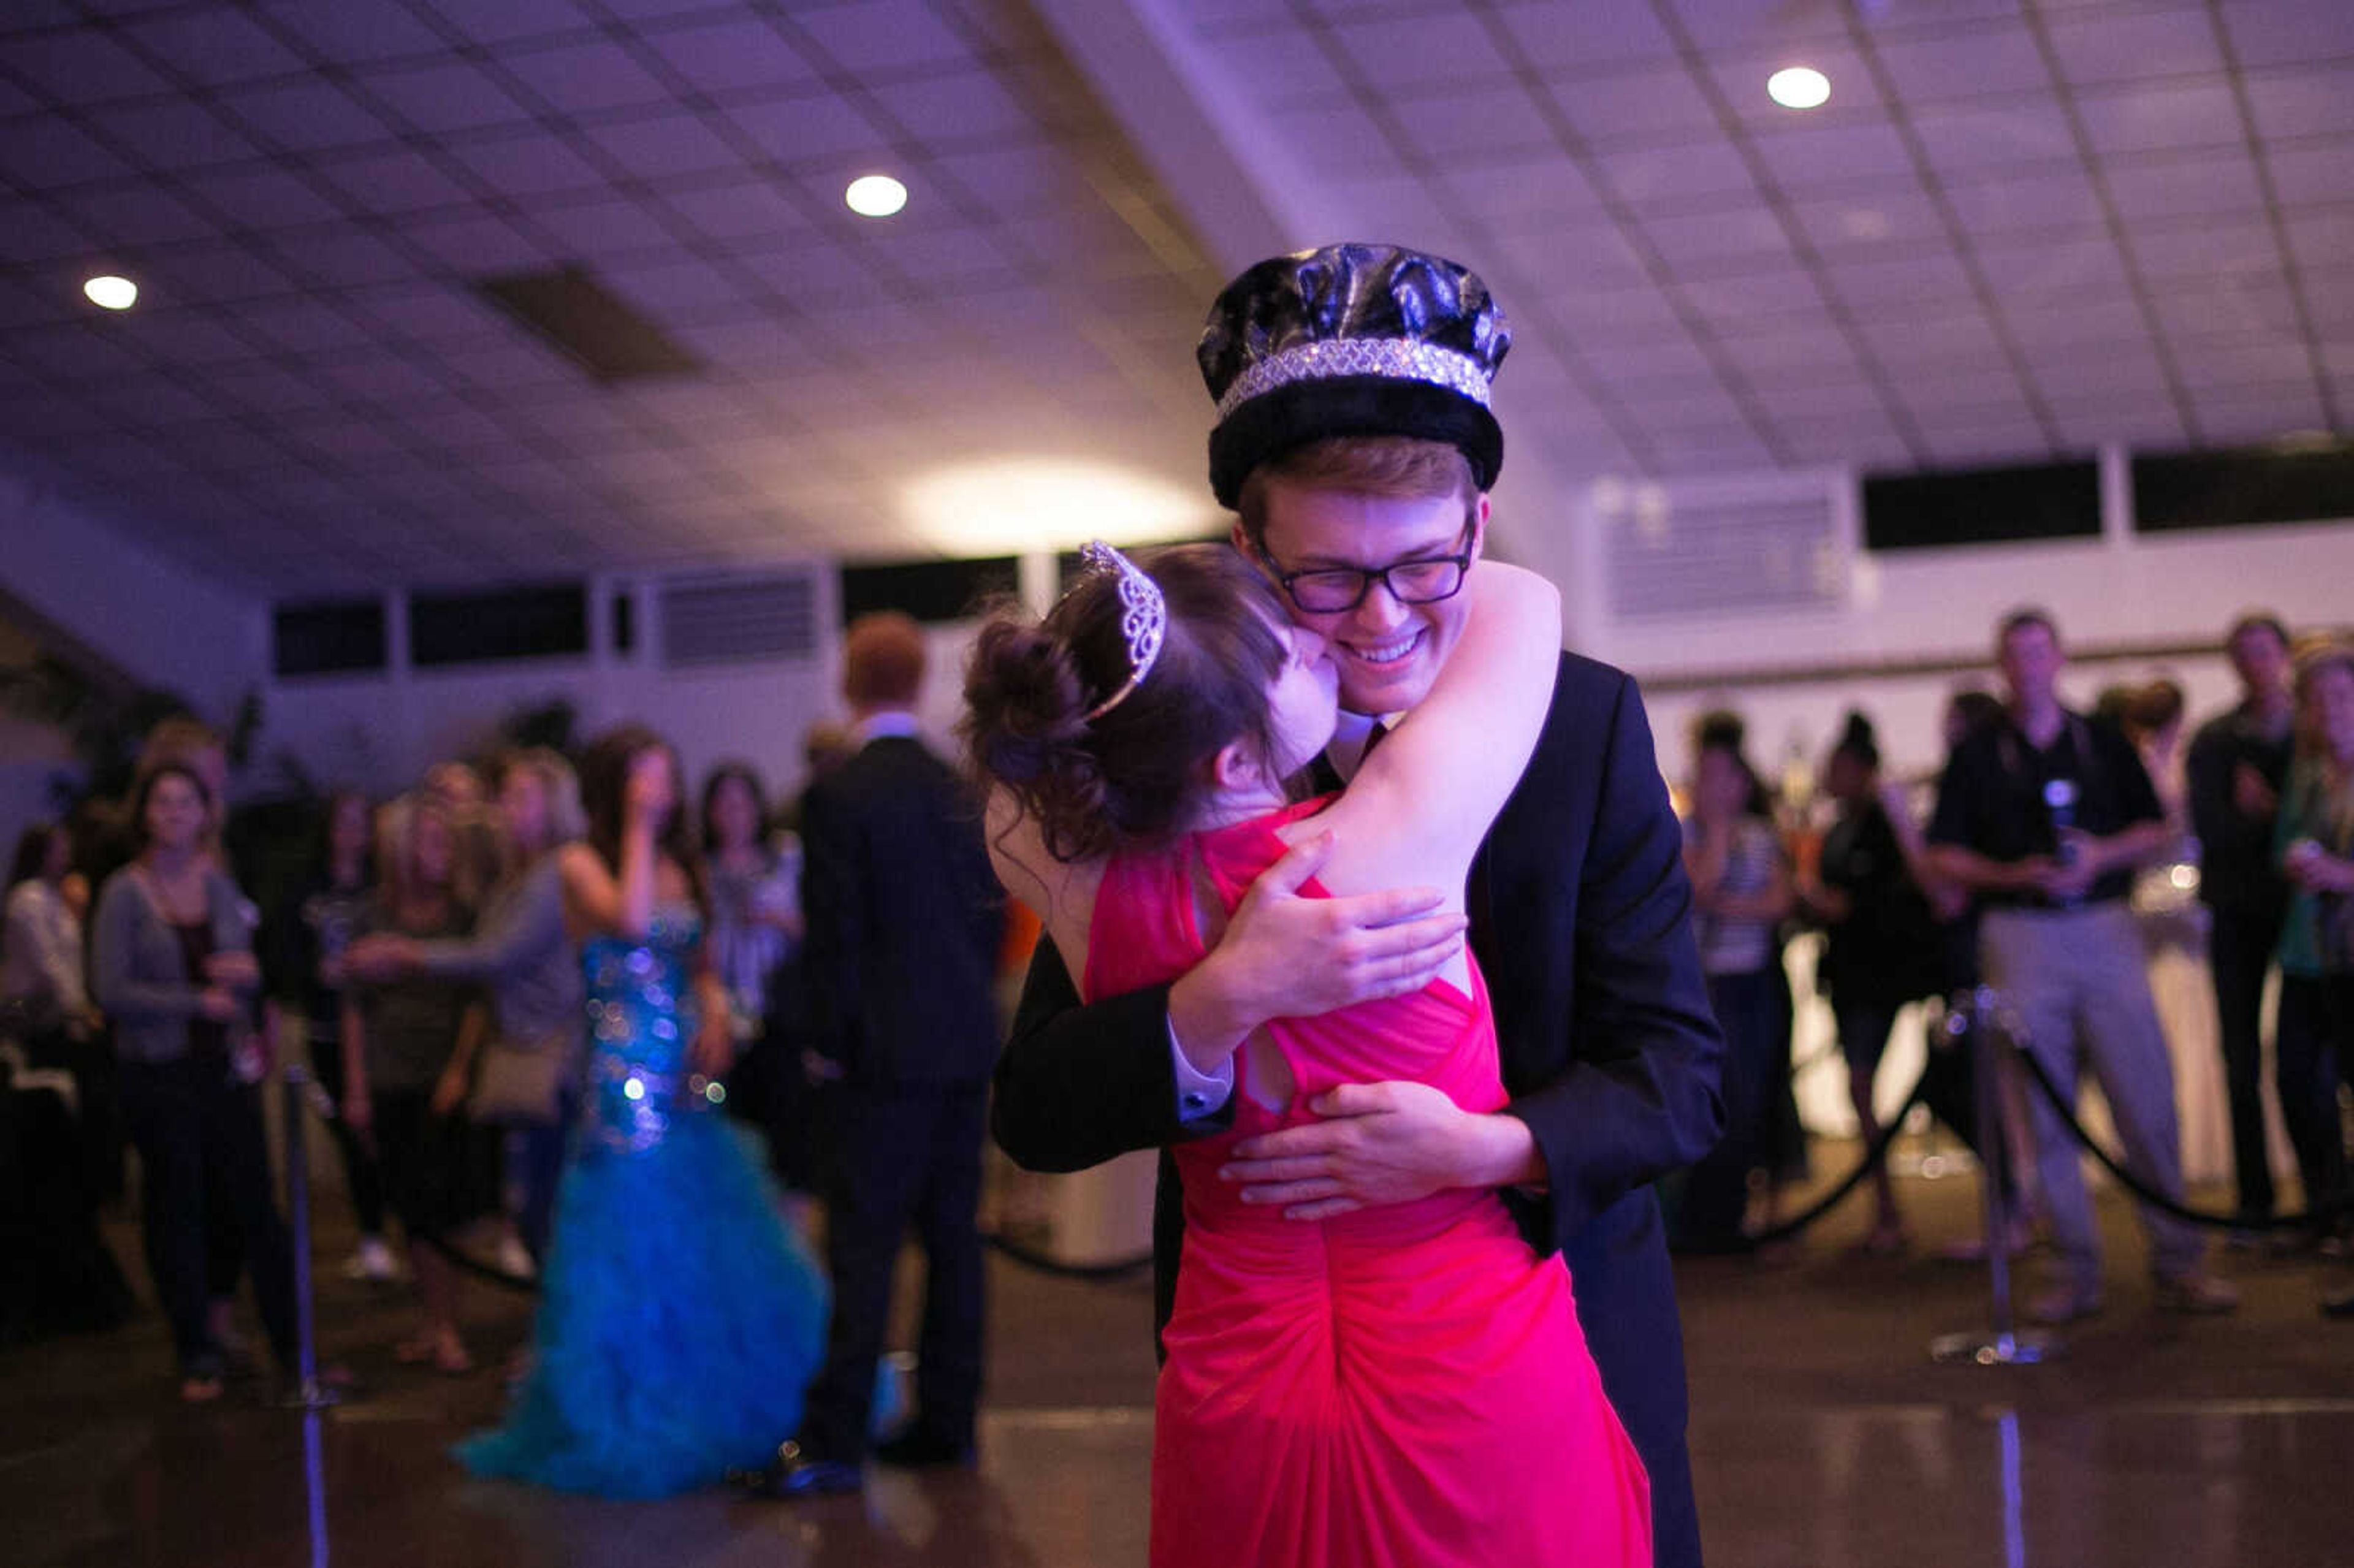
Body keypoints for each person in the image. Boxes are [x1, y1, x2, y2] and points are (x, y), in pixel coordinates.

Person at [983, 245, 1721, 1567]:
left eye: (1427, 568)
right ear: (1247, 551)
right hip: (1265, 1389)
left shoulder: (1583, 721)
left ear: (1479, 535)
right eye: (1325, 578)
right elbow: (1037, 1104)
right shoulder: (1151, 760)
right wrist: (1211, 1007)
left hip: (1553, 1354)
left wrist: (1478, 1147)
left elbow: (1676, 1075)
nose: (1382, 621)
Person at [456, 726, 826, 1498]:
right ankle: (635, 1403)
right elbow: (628, 922)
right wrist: (637, 825)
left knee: (704, 1230)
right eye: (644, 778)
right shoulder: (581, 861)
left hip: (687, 1072)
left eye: (665, 776)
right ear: (615, 787)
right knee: (631, 1234)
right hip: (623, 1079)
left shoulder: (678, 861)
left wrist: (718, 1014)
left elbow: (702, 960)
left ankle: (712, 1393)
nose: (660, 789)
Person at [744, 613, 1007, 1496]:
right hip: (963, 1051)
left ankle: (835, 1436)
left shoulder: (838, 794)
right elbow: (994, 922)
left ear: (850, 683)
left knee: (862, 1249)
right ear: (919, 679)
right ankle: (948, 1419)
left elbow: (836, 941)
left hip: (880, 1062)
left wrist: (826, 1046)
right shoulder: (960, 788)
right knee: (954, 1245)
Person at [1925, 608, 2238, 1323]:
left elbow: (2158, 828)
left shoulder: (2099, 739)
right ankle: (2074, 1267)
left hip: (2103, 926)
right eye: (2015, 653)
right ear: (2003, 665)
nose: (2028, 665)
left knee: (2147, 1096)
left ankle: (2179, 1258)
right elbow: (1943, 852)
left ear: (2059, 658)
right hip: (2021, 931)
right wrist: (2013, 873)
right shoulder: (1978, 754)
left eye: (2039, 651)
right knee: (2042, 1106)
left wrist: (2099, 855)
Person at [89, 764, 300, 1401]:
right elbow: (110, 989)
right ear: (145, 812)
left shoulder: (217, 880)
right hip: (159, 1070)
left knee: (255, 1203)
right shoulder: (124, 892)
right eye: (163, 800)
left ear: (206, 812)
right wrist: (192, 1001)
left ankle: (293, 1345)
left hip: (224, 1066)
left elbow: (242, 970)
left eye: (187, 801)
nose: (176, 811)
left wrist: (248, 972)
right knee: (177, 1205)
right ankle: (196, 1351)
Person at [348, 750, 588, 1273]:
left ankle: (567, 1346)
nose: (504, 805)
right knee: (536, 1213)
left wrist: (405, 955)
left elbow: (495, 955)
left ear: (553, 805)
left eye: (520, 796)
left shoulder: (553, 873)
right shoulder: (520, 874)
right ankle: (551, 1341)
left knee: (549, 1214)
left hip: (552, 1056)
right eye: (505, 794)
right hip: (527, 1049)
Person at [340, 795, 484, 1376]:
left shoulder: (463, 914)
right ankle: (433, 1322)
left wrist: (458, 1069)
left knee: (443, 1207)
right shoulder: (374, 915)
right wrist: (355, 1085)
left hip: (442, 1078)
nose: (440, 852)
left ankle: (449, 1325)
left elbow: (478, 997)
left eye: (445, 841)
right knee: (410, 1207)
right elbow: (354, 1004)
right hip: (389, 1074)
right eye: (428, 840)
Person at [1800, 712, 1945, 1256]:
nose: (1827, 776)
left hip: (1879, 975)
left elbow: (1888, 900)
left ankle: (1888, 1210)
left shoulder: (1883, 828)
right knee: (1860, 1090)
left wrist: (1838, 905)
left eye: (1837, 767)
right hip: (1854, 975)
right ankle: (1885, 1208)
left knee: (1862, 1087)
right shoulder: (1841, 827)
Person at [2187, 614, 2298, 1233]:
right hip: (2237, 911)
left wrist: (2266, 814)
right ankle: (2255, 1199)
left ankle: (2325, 1195)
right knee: (2239, 1055)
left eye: (2264, 650)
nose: (2256, 663)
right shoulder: (2215, 740)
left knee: (2311, 1057)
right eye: (2244, 652)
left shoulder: (2312, 737)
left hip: (2304, 913)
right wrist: (2266, 823)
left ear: (2282, 654)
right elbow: (2213, 832)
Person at [261, 790, 395, 1284]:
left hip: (381, 1027)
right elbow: (277, 955)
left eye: (361, 823)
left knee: (386, 1130)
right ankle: (373, 1235)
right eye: (343, 823)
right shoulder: (304, 891)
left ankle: (398, 1230)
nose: (352, 833)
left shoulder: (383, 886)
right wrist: (313, 971)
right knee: (350, 1129)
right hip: (326, 1025)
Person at [1678, 718, 1796, 1254]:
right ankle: (1706, 1217)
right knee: (1709, 1096)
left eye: (1726, 776)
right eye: (1707, 776)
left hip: (1754, 980)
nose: (1716, 786)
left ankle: (1742, 1211)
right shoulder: (1680, 833)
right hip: (1704, 981)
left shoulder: (1763, 835)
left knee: (1753, 1093)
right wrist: (1717, 834)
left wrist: (1725, 903)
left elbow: (1778, 903)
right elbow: (1693, 888)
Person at [2269, 638, 2354, 1260]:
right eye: (2317, 697)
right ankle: (2333, 1213)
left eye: (2341, 694)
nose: (2329, 707)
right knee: (2302, 1080)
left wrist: (2341, 875)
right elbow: (2286, 848)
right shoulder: (2311, 772)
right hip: (2325, 953)